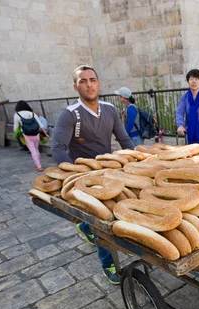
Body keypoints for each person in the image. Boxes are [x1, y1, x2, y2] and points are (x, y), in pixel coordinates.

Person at [52, 65, 134, 284]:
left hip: (110, 170)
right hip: (86, 176)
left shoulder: (109, 110)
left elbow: (124, 139)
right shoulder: (70, 114)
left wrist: (138, 159)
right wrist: (73, 177)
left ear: (99, 84)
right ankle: (107, 261)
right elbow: (58, 147)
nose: (88, 84)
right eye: (82, 81)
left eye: (92, 79)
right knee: (101, 219)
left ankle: (83, 223)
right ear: (75, 86)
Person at [175, 69, 199, 144]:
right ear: (188, 81)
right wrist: (180, 125)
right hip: (189, 133)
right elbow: (179, 112)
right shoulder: (185, 97)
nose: (194, 81)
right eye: (191, 79)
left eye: (196, 79)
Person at [13, 101, 48, 172]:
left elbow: (15, 128)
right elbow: (40, 125)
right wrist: (46, 134)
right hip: (36, 133)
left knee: (32, 150)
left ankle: (39, 166)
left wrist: (17, 134)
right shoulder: (32, 113)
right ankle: (38, 163)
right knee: (36, 148)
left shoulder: (17, 115)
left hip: (26, 135)